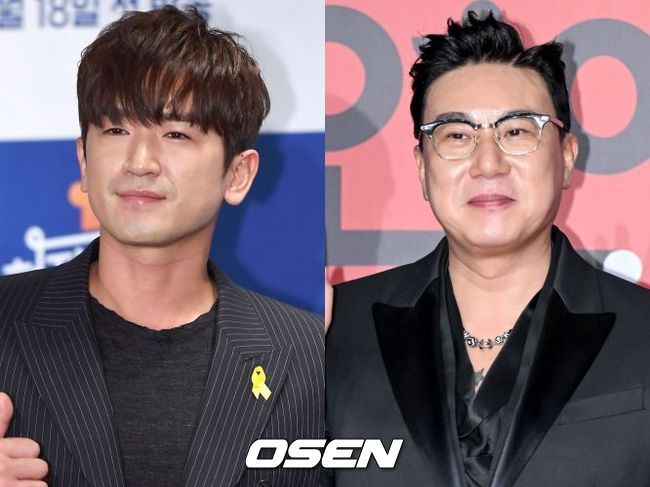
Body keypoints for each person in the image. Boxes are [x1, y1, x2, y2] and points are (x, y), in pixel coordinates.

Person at [0, 6, 323, 487]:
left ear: (238, 174)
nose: (140, 161)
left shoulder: (311, 356)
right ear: (84, 161)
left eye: (176, 134)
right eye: (116, 129)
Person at [326, 11, 650, 487]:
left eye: (516, 131)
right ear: (422, 169)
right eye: (457, 135)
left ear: (566, 157)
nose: (488, 163)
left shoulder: (643, 330)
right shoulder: (334, 329)